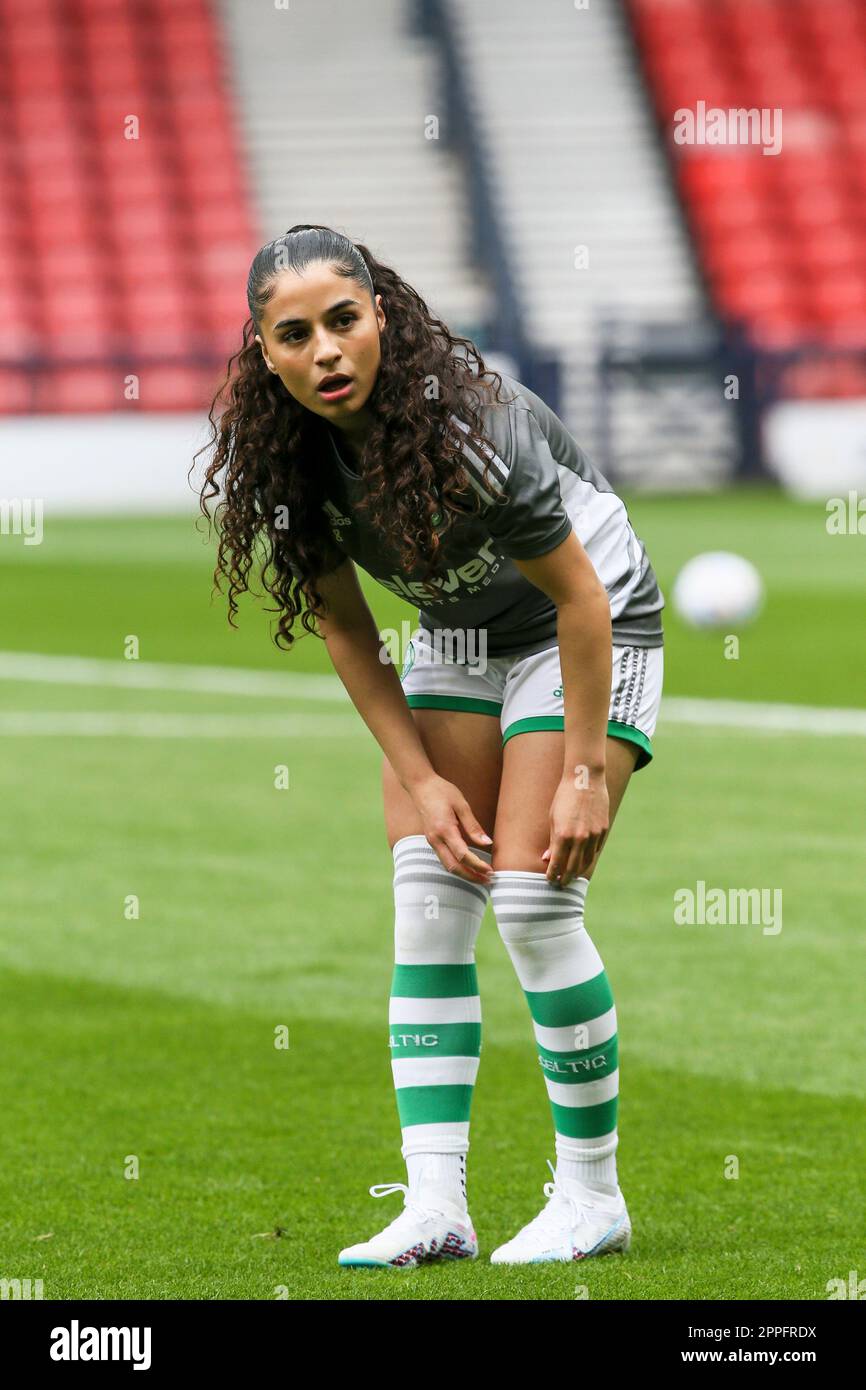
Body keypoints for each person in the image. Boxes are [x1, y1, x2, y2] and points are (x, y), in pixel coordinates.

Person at [197, 224, 664, 1269]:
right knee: (428, 892)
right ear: (262, 349)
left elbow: (580, 597)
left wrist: (585, 769)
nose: (324, 350)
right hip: (460, 633)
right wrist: (417, 777)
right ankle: (435, 1207)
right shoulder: (287, 461)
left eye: (342, 321)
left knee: (536, 901)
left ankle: (591, 1197)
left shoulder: (468, 425)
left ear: (381, 316)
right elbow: (346, 627)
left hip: (583, 620)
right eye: (294, 334)